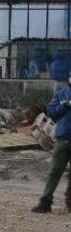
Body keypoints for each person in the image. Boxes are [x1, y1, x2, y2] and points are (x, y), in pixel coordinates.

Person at [32, 71, 71, 213]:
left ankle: (69, 202)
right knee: (55, 171)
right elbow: (51, 113)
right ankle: (45, 202)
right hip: (63, 138)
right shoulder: (61, 94)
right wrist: (65, 105)